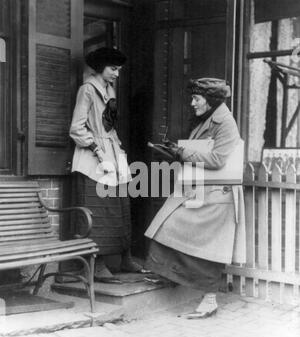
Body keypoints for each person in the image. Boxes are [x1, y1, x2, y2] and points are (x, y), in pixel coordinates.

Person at [145, 78, 246, 318]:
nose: (192, 103)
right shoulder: (208, 119)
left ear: (209, 100)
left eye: (196, 99)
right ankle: (167, 273)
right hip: (202, 190)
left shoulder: (226, 123)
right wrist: (175, 151)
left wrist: (182, 152)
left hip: (218, 195)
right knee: (167, 225)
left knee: (209, 249)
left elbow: (217, 160)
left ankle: (210, 300)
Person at [70, 47, 145, 283]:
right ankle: (97, 264)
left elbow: (109, 127)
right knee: (98, 210)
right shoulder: (87, 90)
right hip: (94, 159)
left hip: (113, 154)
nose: (117, 74)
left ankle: (125, 257)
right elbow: (76, 128)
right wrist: (96, 150)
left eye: (119, 69)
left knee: (121, 207)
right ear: (101, 66)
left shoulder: (109, 89)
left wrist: (117, 152)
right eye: (113, 69)